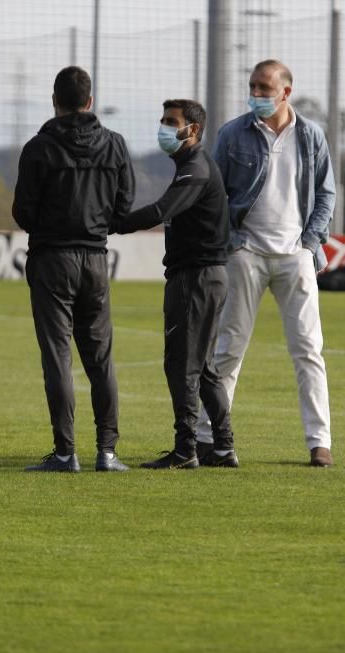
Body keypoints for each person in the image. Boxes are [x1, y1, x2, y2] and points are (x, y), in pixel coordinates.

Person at [197, 59, 337, 467]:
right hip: (246, 255)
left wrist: (310, 244)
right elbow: (214, 194)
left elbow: (326, 194)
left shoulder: (311, 136)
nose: (256, 94)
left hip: (296, 257)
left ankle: (320, 443)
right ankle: (209, 438)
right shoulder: (231, 134)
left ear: (286, 92)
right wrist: (233, 243)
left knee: (309, 351)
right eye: (253, 86)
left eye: (264, 87)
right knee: (228, 350)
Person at [12, 66, 135, 473]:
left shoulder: (39, 148)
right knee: (100, 358)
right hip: (96, 260)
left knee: (57, 357)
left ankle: (66, 452)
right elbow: (123, 208)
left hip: (51, 260)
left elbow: (23, 212)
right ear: (91, 101)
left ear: (54, 101)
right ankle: (108, 451)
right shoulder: (115, 145)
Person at [111, 99, 236, 470]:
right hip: (208, 277)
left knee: (181, 365)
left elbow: (159, 211)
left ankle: (185, 449)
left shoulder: (194, 168)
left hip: (195, 278)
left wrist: (109, 223)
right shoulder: (191, 166)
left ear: (192, 129)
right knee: (206, 367)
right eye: (162, 120)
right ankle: (224, 447)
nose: (163, 127)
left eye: (171, 122)